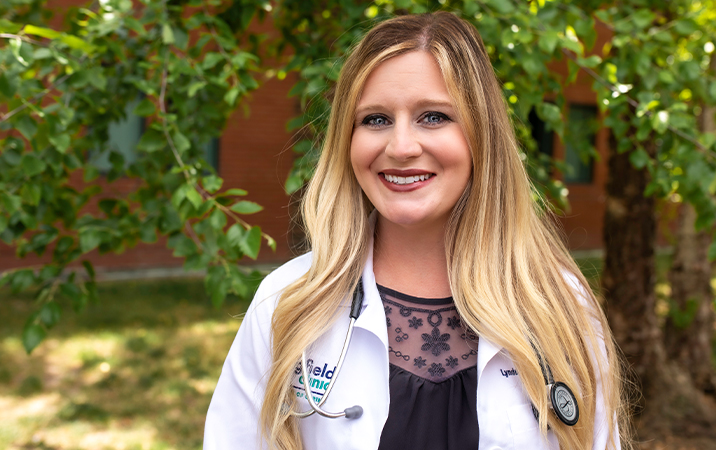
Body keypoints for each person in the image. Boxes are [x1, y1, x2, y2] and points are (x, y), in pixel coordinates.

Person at [204, 11, 628, 450]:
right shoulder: (287, 301)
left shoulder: (560, 305)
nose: (401, 147)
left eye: (433, 117)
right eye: (375, 120)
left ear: (481, 135)